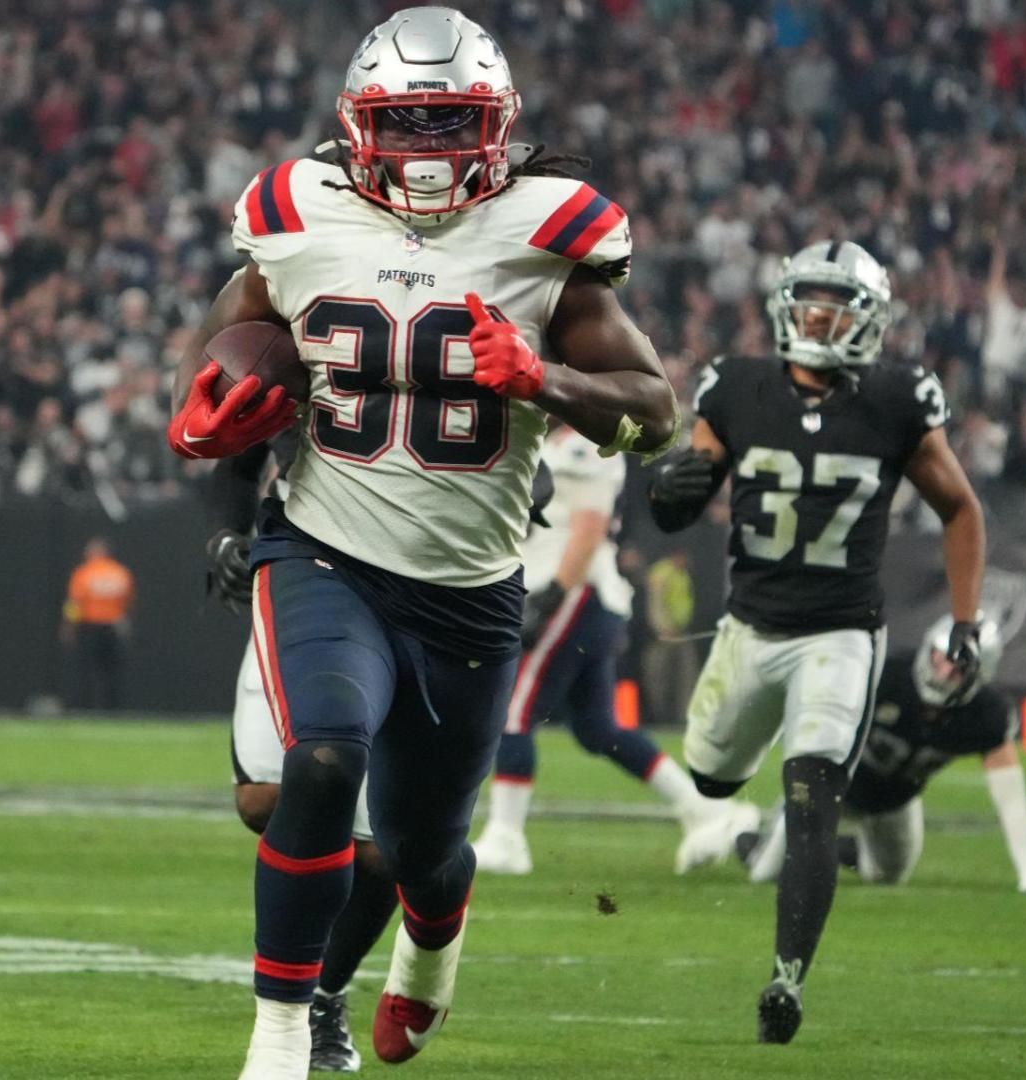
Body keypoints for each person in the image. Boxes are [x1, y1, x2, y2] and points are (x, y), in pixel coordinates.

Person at [165, 10, 678, 1075]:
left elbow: (651, 411)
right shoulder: (299, 214)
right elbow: (227, 347)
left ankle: (432, 950)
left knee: (420, 852)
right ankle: (276, 1043)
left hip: (468, 590)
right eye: (411, 121)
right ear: (360, 123)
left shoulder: (547, 235)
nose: (434, 148)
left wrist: (546, 379)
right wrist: (208, 416)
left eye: (456, 122)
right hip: (324, 550)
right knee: (321, 761)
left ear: (498, 126)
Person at [648, 240, 986, 1044]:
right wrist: (669, 489)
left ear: (869, 320)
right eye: (810, 302)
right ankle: (738, 818)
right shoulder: (736, 386)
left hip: (840, 635)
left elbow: (962, 509)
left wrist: (967, 620)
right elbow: (680, 502)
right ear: (784, 307)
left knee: (813, 797)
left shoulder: (900, 399)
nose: (821, 319)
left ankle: (786, 981)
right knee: (713, 773)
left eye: (838, 306)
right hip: (750, 628)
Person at [470, 423, 756, 877]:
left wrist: (553, 596)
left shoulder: (583, 444)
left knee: (512, 709)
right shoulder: (559, 443)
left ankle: (506, 836)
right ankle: (701, 809)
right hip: (578, 592)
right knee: (597, 727)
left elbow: (588, 527)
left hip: (573, 589)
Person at [206, 430, 396, 1073]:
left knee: (386, 850)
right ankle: (293, 999)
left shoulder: (462, 339)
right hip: (307, 563)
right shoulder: (303, 331)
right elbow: (242, 444)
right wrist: (229, 536)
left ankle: (322, 992)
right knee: (266, 794)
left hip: (424, 584)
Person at [735, 617, 1026, 897]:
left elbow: (1011, 802)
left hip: (895, 803)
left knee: (887, 875)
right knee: (766, 874)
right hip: (833, 789)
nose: (944, 671)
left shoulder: (985, 715)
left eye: (958, 666)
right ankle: (737, 831)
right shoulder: (886, 678)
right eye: (939, 657)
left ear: (980, 672)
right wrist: (803, 796)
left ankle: (828, 850)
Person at [62, 537, 135, 711]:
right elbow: (129, 602)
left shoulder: (85, 573)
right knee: (111, 671)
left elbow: (75, 603)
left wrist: (69, 626)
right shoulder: (120, 572)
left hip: (90, 625)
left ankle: (83, 707)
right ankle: (111, 708)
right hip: (114, 627)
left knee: (86, 669)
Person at [642, 550, 699, 730]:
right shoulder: (661, 572)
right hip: (663, 635)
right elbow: (655, 604)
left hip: (681, 633)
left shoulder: (682, 574)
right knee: (658, 675)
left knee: (686, 674)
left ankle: (682, 717)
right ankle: (660, 717)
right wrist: (663, 627)